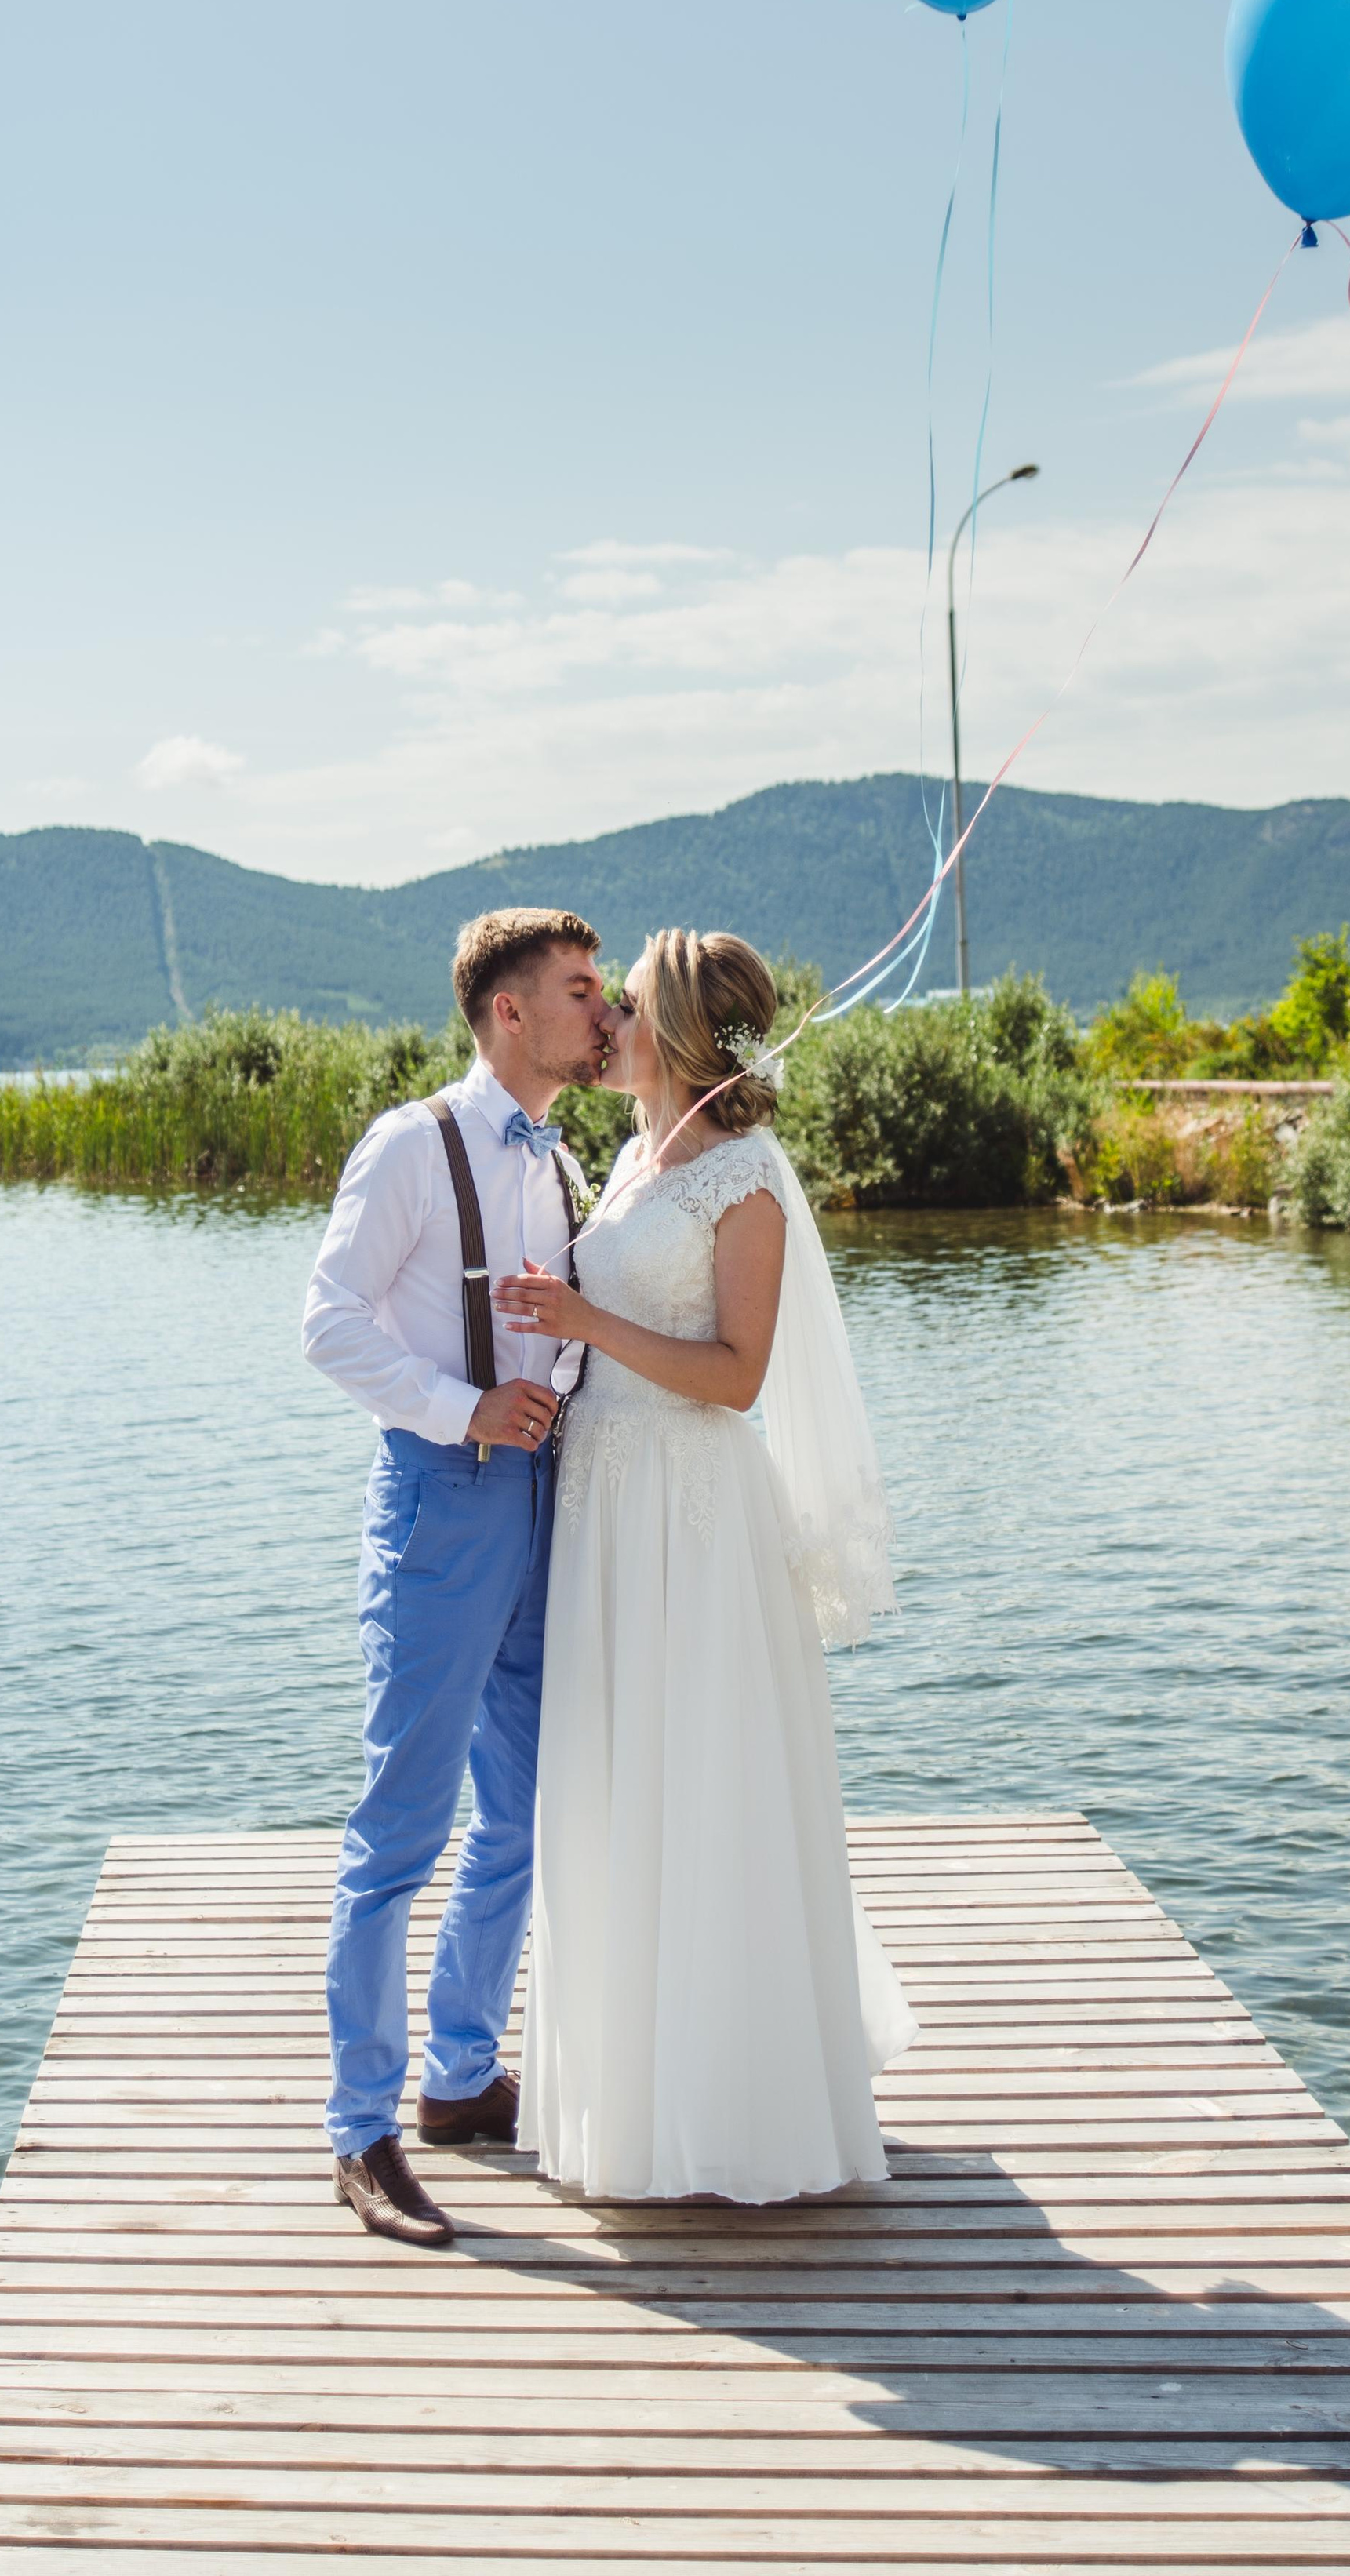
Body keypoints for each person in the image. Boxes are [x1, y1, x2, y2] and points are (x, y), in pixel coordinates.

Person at [495, 927, 915, 2203]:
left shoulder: (744, 1177)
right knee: (621, 1786)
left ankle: (735, 2105)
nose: (600, 1023)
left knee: (706, 1785)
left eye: (619, 1004)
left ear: (671, 1028)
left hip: (693, 1506)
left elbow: (737, 1378)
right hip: (605, 1504)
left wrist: (581, 1317)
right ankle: (635, 2100)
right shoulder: (630, 1156)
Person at [301, 906, 615, 2248]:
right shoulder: (412, 1144)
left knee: (528, 1807)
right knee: (400, 1832)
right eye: (581, 991)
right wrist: (457, 1405)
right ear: (509, 1013)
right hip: (443, 1508)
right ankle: (360, 2131)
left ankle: (459, 2075)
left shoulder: (556, 1149)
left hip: (547, 1507)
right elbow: (324, 1322)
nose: (602, 1012)